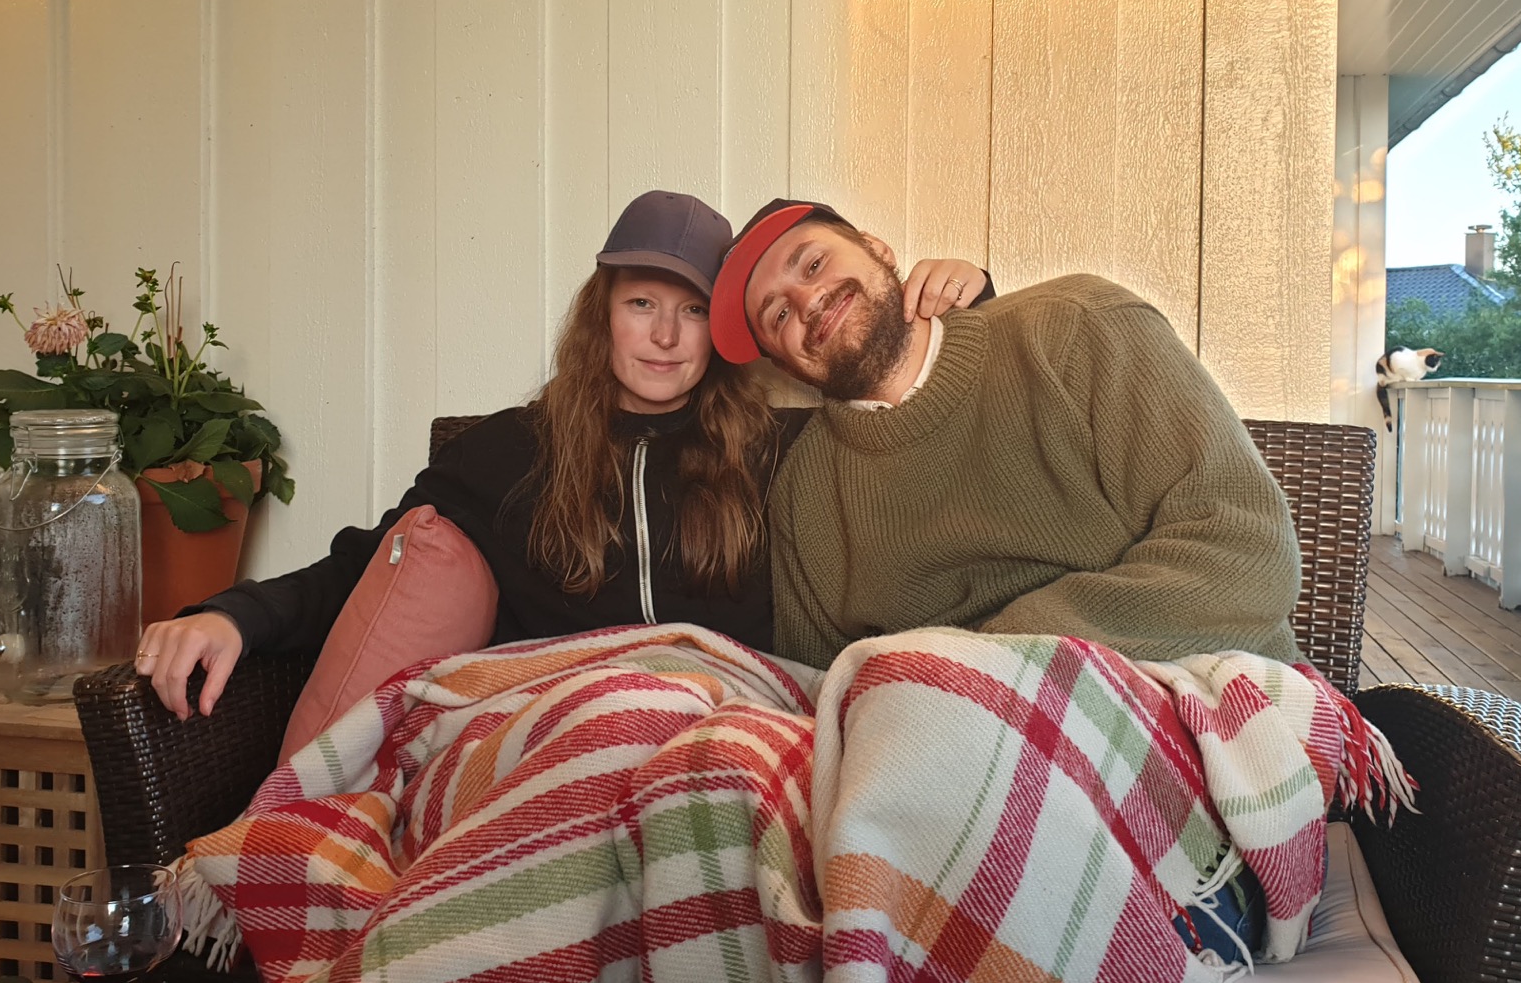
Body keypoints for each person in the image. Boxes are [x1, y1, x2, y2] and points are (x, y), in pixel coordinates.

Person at [135, 191, 990, 718]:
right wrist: (231, 615)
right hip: (560, 730)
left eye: (692, 311)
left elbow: (928, 440)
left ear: (724, 334)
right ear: (601, 314)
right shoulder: (507, 453)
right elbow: (367, 564)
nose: (664, 336)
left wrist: (968, 306)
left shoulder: (779, 448)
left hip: (732, 731)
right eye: (642, 303)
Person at [707, 197, 1302, 674]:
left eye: (813, 265)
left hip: (1198, 687)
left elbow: (1247, 550)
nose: (807, 300)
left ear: (875, 248)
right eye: (777, 315)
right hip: (947, 745)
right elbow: (827, 690)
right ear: (783, 364)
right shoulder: (804, 493)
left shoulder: (1075, 327)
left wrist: (991, 661)